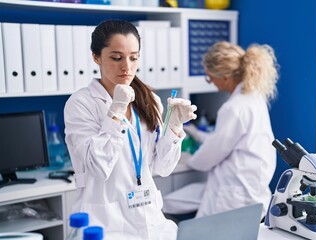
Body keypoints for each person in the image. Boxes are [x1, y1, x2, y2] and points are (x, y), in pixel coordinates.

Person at [64, 19, 197, 240]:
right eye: (116, 58)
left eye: (133, 58)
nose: (127, 67)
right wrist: (116, 112)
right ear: (96, 57)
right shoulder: (80, 104)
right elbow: (98, 167)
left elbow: (162, 167)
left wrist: (174, 128)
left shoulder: (150, 99)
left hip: (150, 220)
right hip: (104, 224)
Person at [163, 41, 279, 220]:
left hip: (233, 194)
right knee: (169, 202)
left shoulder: (233, 107)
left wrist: (185, 160)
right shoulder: (254, 98)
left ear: (225, 77)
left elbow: (211, 155)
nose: (211, 83)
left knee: (170, 207)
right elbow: (230, 141)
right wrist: (198, 134)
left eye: (210, 78)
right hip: (253, 188)